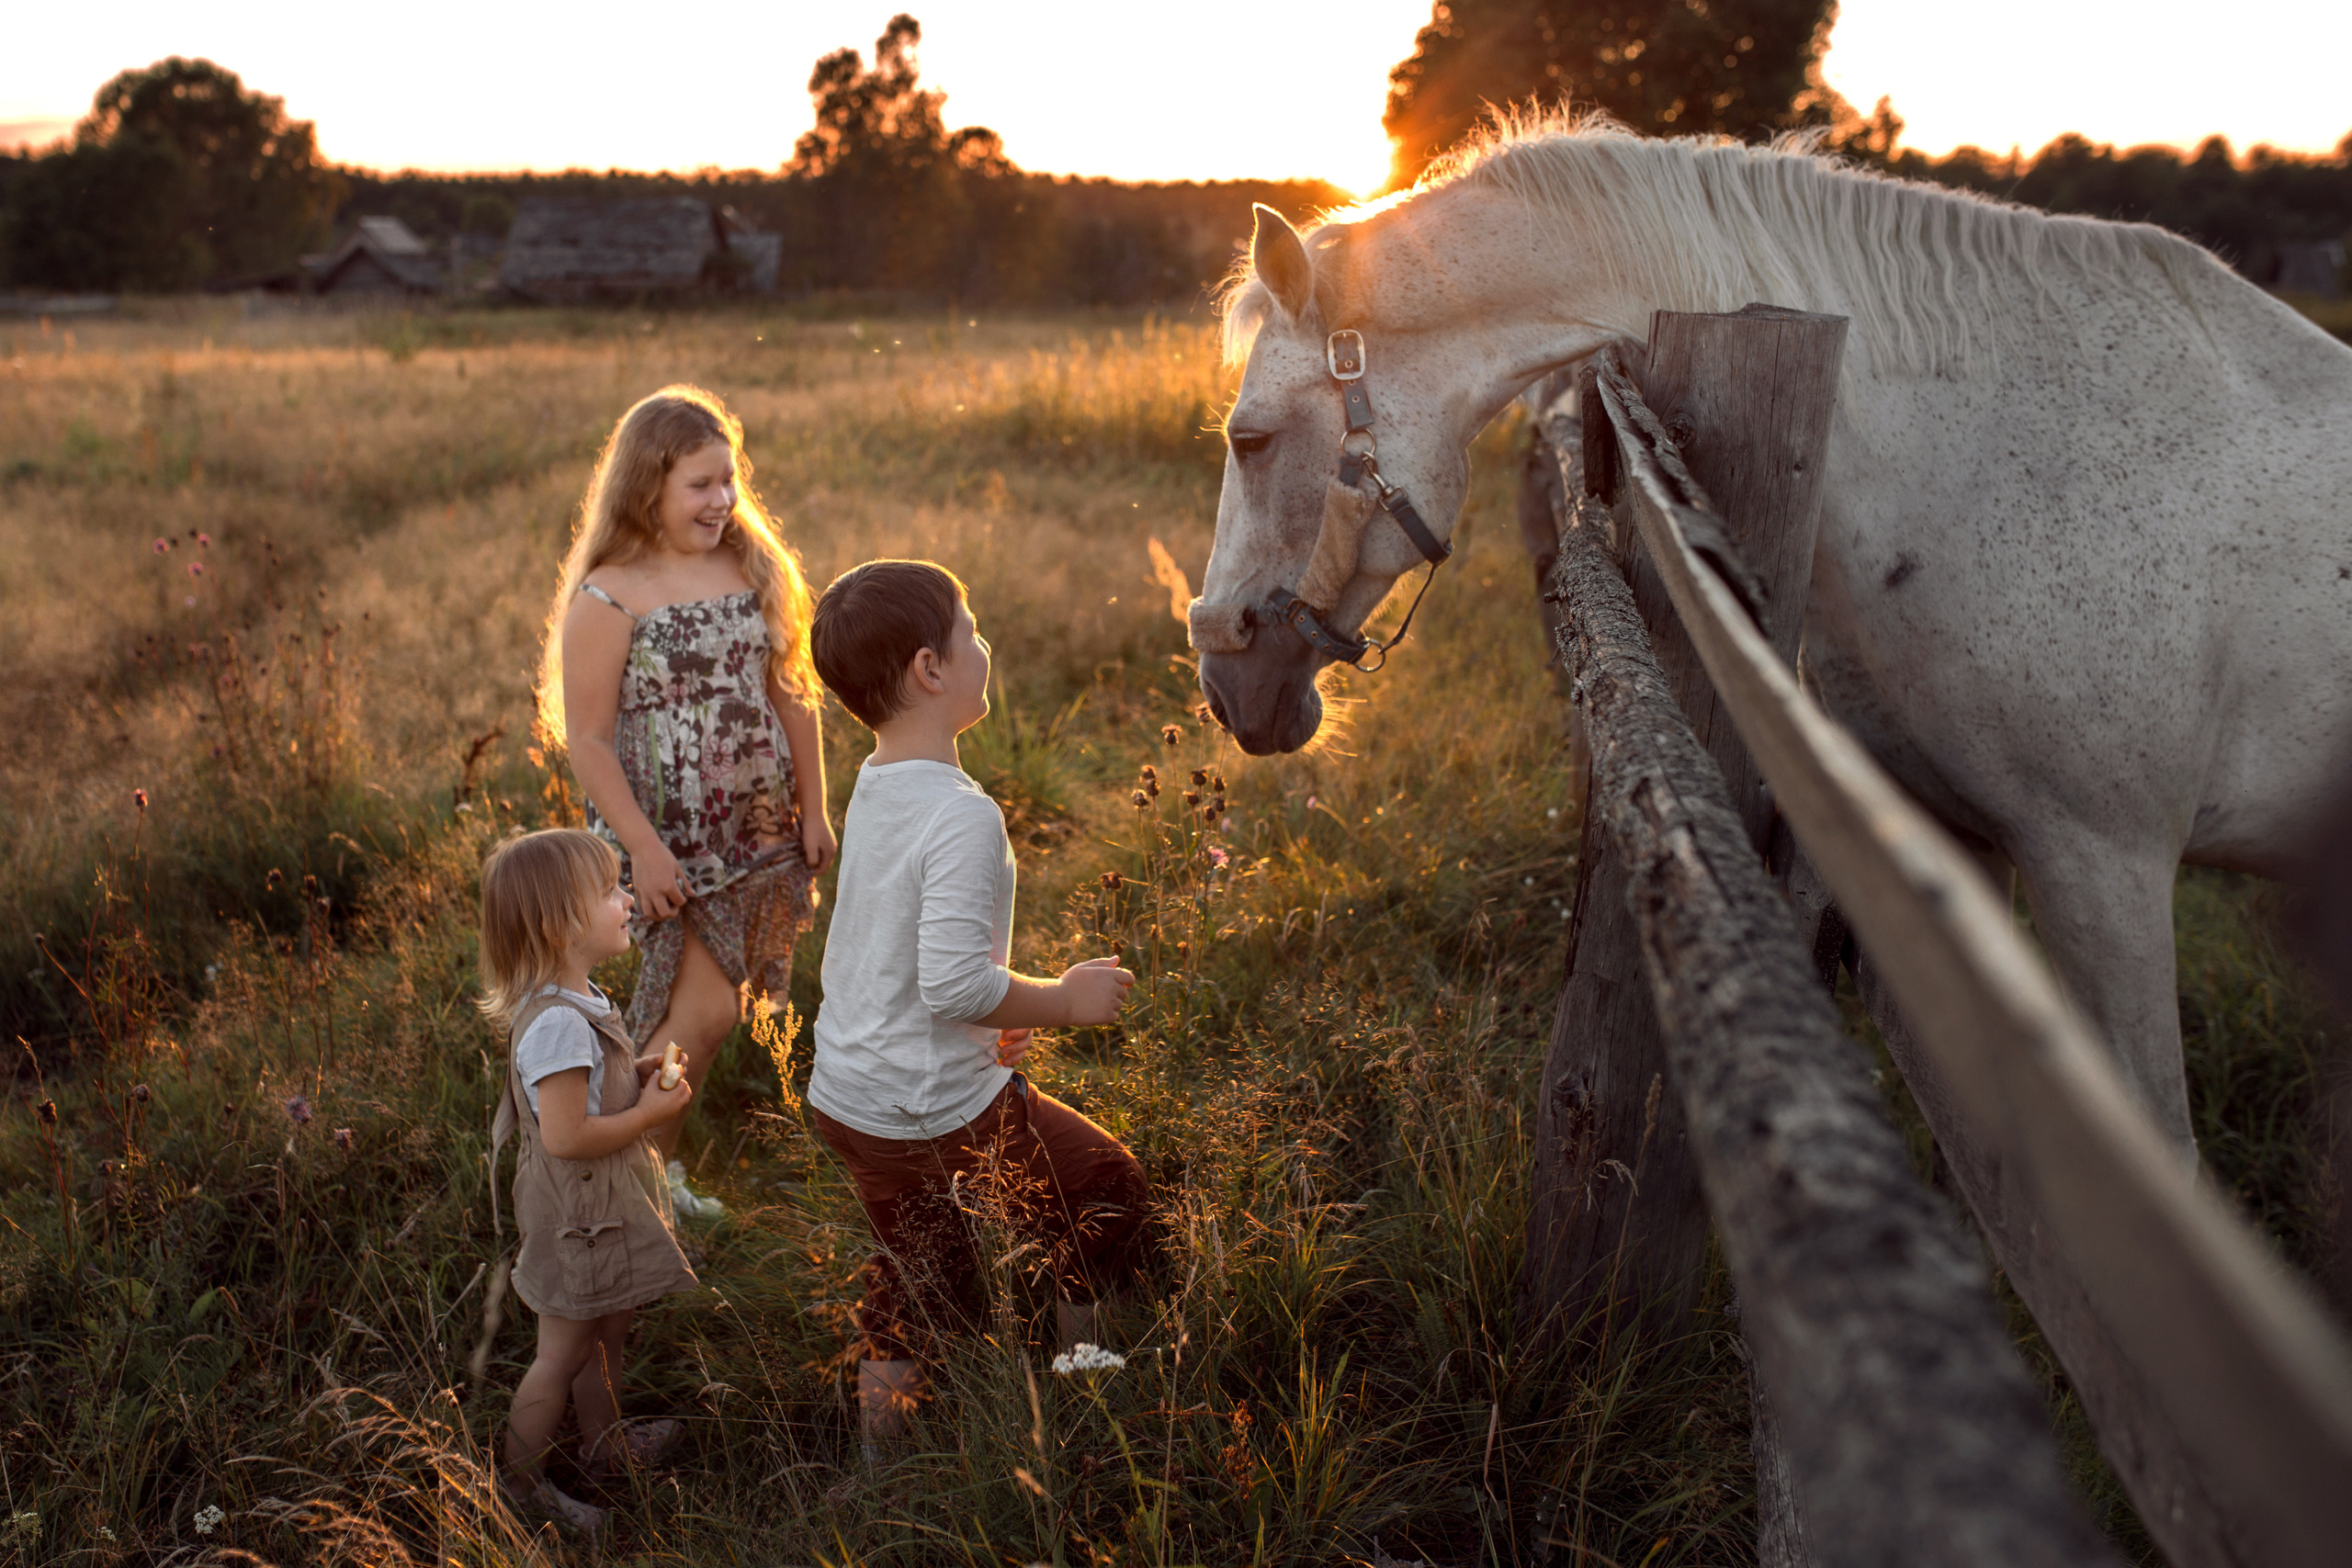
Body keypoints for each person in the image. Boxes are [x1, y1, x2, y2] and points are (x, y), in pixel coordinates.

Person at [805, 558, 1152, 1450]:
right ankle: (1085, 1376)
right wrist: (1066, 1000)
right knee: (1105, 1186)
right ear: (931, 669)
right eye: (972, 632)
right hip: (935, 1108)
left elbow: (902, 950)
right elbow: (952, 982)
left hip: (851, 1095)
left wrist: (1007, 1008)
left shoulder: (879, 786)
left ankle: (880, 1473)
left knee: (919, 1271)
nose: (983, 646)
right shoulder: (963, 815)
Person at [539, 384, 837, 1221]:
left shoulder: (747, 563)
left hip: (762, 826)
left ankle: (640, 1170)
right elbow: (589, 739)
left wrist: (816, 808)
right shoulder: (609, 593)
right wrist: (643, 848)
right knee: (702, 1013)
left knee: (703, 1010)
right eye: (700, 485)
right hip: (668, 836)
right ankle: (632, 1170)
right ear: (648, 488)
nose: (722, 501)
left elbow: (791, 690)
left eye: (728, 480)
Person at [479, 828, 698, 1530]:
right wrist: (652, 1114)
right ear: (560, 922)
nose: (628, 898)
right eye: (609, 890)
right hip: (575, 1217)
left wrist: (632, 1079)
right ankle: (518, 1487)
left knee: (608, 1327)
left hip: (598, 1210)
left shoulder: (580, 1000)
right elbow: (568, 1135)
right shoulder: (558, 1026)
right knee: (563, 1349)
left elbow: (579, 1097)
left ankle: (603, 1447)